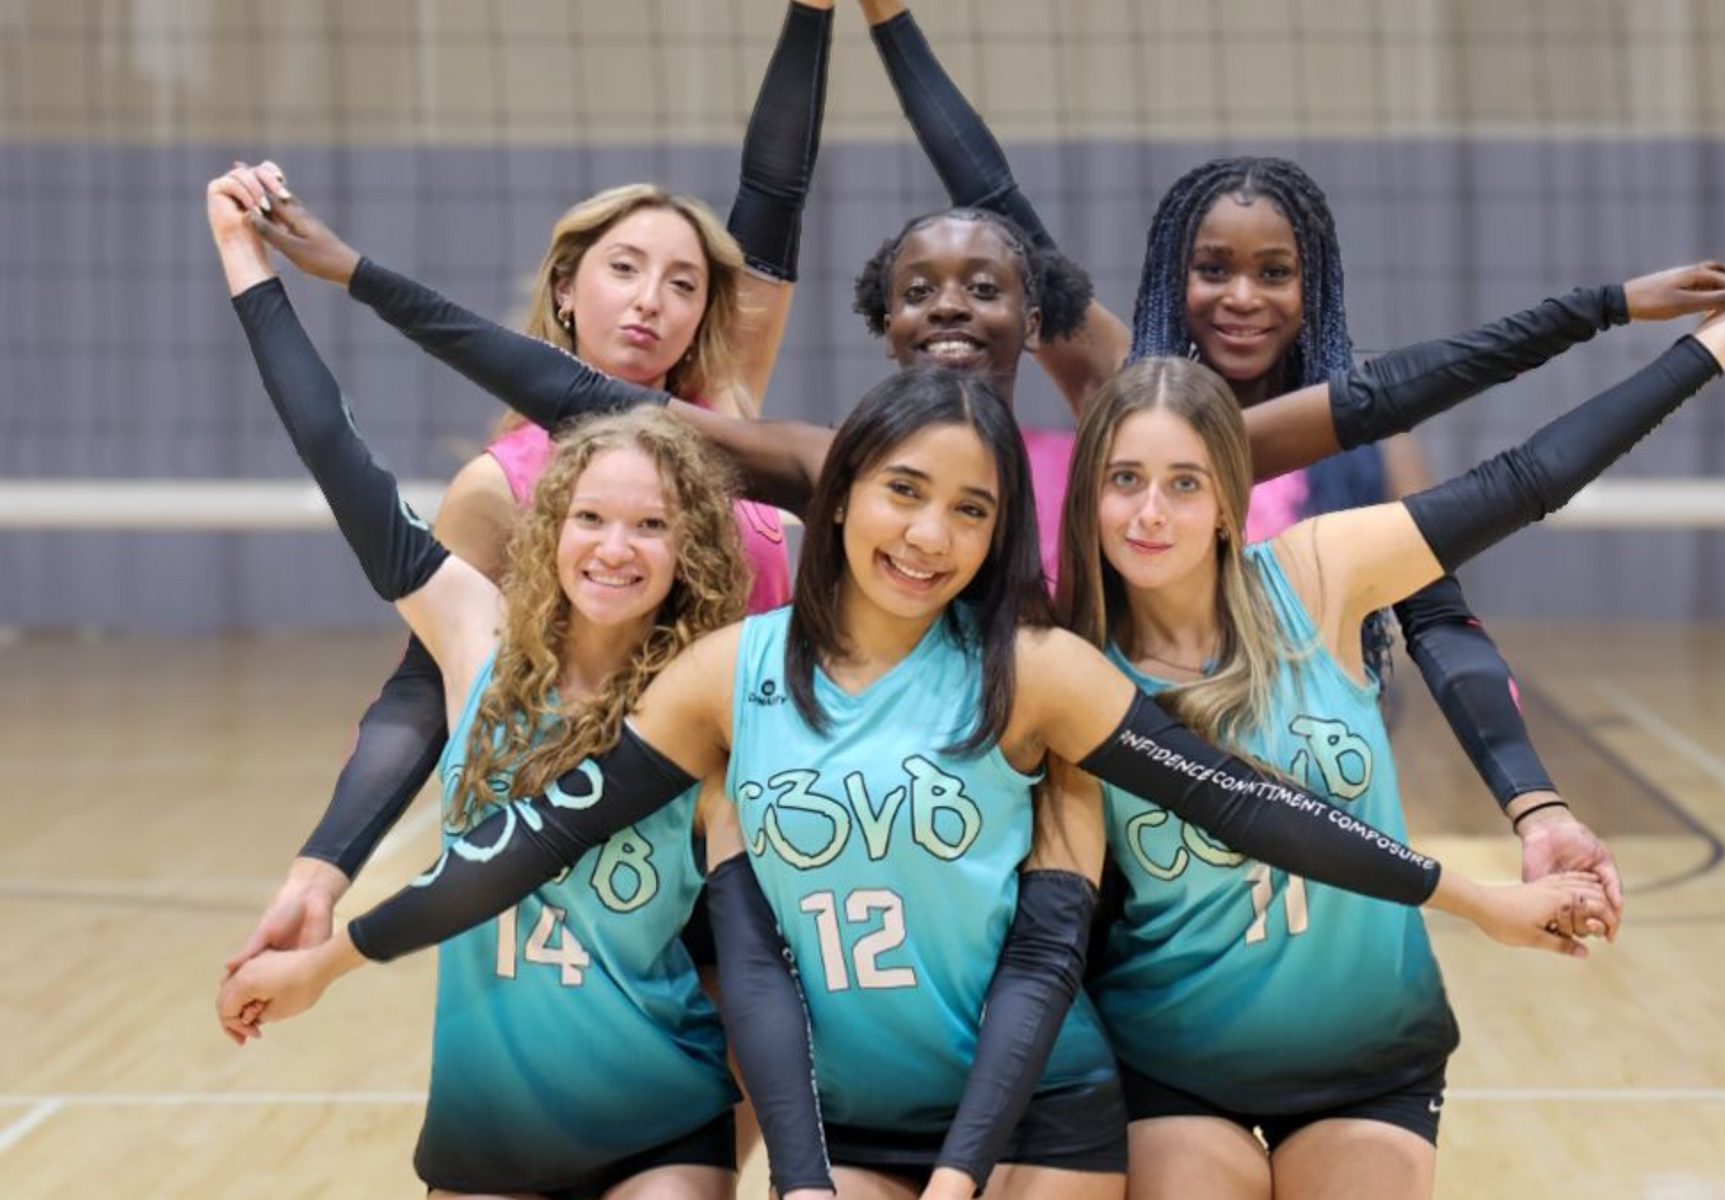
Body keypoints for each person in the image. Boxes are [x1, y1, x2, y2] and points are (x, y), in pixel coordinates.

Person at [218, 363, 1616, 1199]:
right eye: (902, 490)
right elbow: (526, 845)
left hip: (1041, 1107)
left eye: (971, 508)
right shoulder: (725, 678)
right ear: (842, 497)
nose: (930, 534)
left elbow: (1239, 800)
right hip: (847, 1122)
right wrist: (329, 960)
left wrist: (1475, 898)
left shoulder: (1035, 671)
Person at [848, 0, 1725, 910]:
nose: (1241, 299)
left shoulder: (1368, 435)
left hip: (1306, 776)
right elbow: (996, 199)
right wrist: (887, 16)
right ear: (1176, 277)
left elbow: (1440, 619)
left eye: (1274, 273)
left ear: (1313, 284)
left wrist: (1530, 798)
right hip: (1133, 787)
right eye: (1213, 270)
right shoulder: (1128, 392)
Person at [1053, 305, 1725, 1199]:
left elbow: (1525, 481)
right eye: (1125, 480)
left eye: (1183, 483)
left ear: (1227, 498)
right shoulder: (1074, 670)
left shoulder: (1314, 574)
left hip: (1370, 1050)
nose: (1150, 512)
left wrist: (1712, 348)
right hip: (1172, 1061)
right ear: (1089, 493)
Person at [223, 0, 834, 1001]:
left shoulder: (726, 421)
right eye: (624, 269)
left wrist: (812, 12)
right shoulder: (503, 484)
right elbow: (425, 689)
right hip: (610, 846)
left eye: (683, 284)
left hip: (758, 824)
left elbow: (772, 194)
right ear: (564, 289)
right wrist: (322, 868)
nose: (651, 299)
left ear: (703, 318)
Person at [208, 165, 759, 1200]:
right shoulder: (475, 635)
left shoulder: (702, 692)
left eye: (649, 525)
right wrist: (247, 262)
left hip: (663, 1103)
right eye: (590, 519)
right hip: (489, 1119)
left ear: (690, 544)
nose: (614, 548)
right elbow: (331, 447)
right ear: (546, 526)